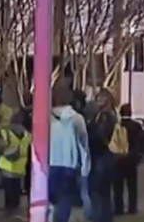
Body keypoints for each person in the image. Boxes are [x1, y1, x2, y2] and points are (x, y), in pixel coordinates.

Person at [47, 84, 89, 222]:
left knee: (51, 199)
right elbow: (83, 143)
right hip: (69, 164)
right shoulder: (77, 119)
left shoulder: (46, 118)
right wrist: (85, 166)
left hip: (50, 163)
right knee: (65, 199)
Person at [86, 89, 120, 222]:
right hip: (106, 158)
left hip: (102, 157)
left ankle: (99, 217)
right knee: (104, 192)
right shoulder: (110, 115)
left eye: (100, 98)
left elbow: (100, 137)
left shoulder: (105, 117)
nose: (97, 100)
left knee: (97, 190)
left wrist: (89, 131)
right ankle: (105, 217)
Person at [112, 103, 144, 216]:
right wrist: (138, 156)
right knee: (132, 186)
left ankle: (118, 208)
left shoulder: (117, 125)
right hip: (131, 159)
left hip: (118, 159)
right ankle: (132, 208)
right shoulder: (136, 126)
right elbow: (142, 143)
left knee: (118, 187)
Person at [0, 110, 29, 213]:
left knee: (8, 190)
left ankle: (9, 210)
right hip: (20, 168)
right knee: (16, 189)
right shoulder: (27, 134)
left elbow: (0, 147)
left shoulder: (5, 132)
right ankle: (15, 208)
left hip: (7, 167)